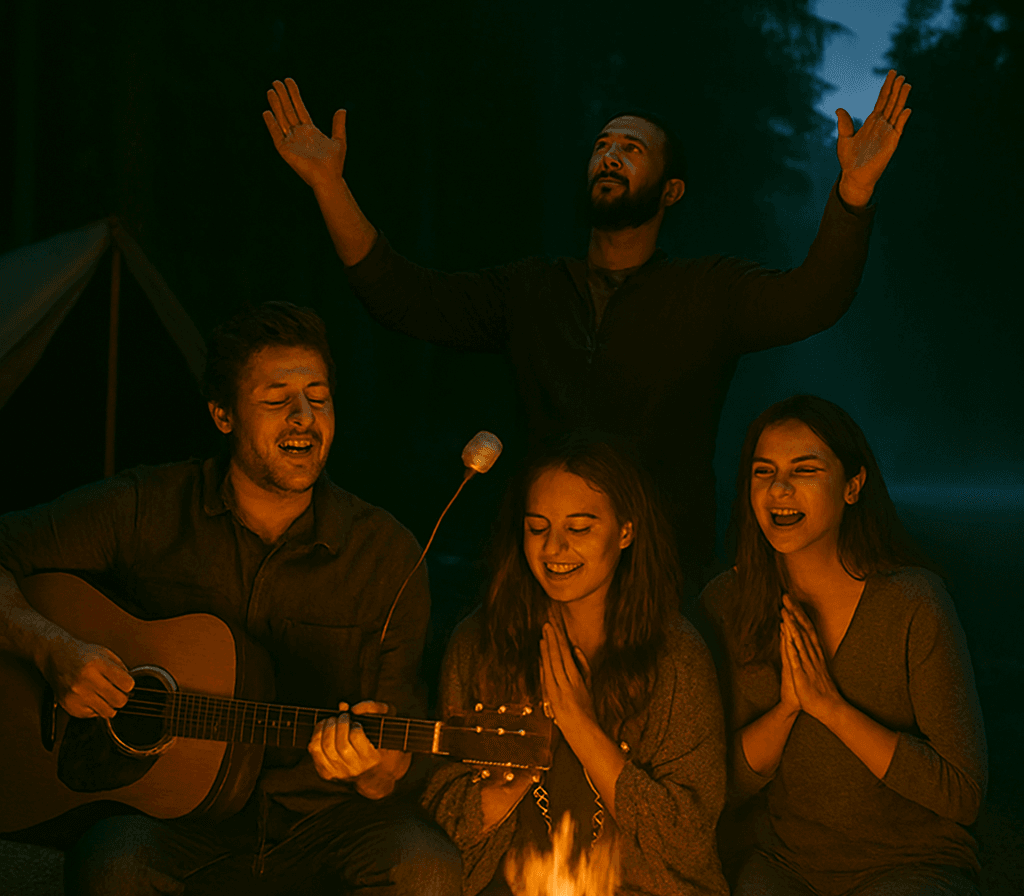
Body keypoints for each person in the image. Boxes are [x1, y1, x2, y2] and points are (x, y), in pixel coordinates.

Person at [0, 301, 462, 896]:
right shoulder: (149, 504)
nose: (303, 418)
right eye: (276, 396)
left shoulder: (389, 554)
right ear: (221, 415)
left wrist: (368, 765)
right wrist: (50, 647)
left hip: (311, 825)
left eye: (319, 396)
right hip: (179, 827)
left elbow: (399, 756)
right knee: (106, 871)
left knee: (426, 870)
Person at [263, 73, 912, 579]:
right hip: (542, 565)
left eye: (632, 149)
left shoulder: (709, 292)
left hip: (665, 573)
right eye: (603, 145)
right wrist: (328, 184)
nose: (610, 156)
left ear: (671, 190)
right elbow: (402, 298)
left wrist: (852, 196)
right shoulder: (530, 290)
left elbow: (813, 300)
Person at [394, 434, 730, 896]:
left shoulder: (676, 657)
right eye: (538, 528)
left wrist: (578, 722)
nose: (555, 550)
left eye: (580, 528)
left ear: (625, 533)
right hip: (512, 894)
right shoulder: (480, 645)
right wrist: (509, 782)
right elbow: (440, 803)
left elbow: (687, 837)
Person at [701, 394, 994, 896]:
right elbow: (723, 784)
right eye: (763, 471)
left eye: (804, 470)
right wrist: (788, 711)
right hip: (793, 864)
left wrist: (832, 709)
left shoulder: (912, 603)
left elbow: (963, 793)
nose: (779, 491)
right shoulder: (727, 604)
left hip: (912, 867)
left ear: (853, 485)